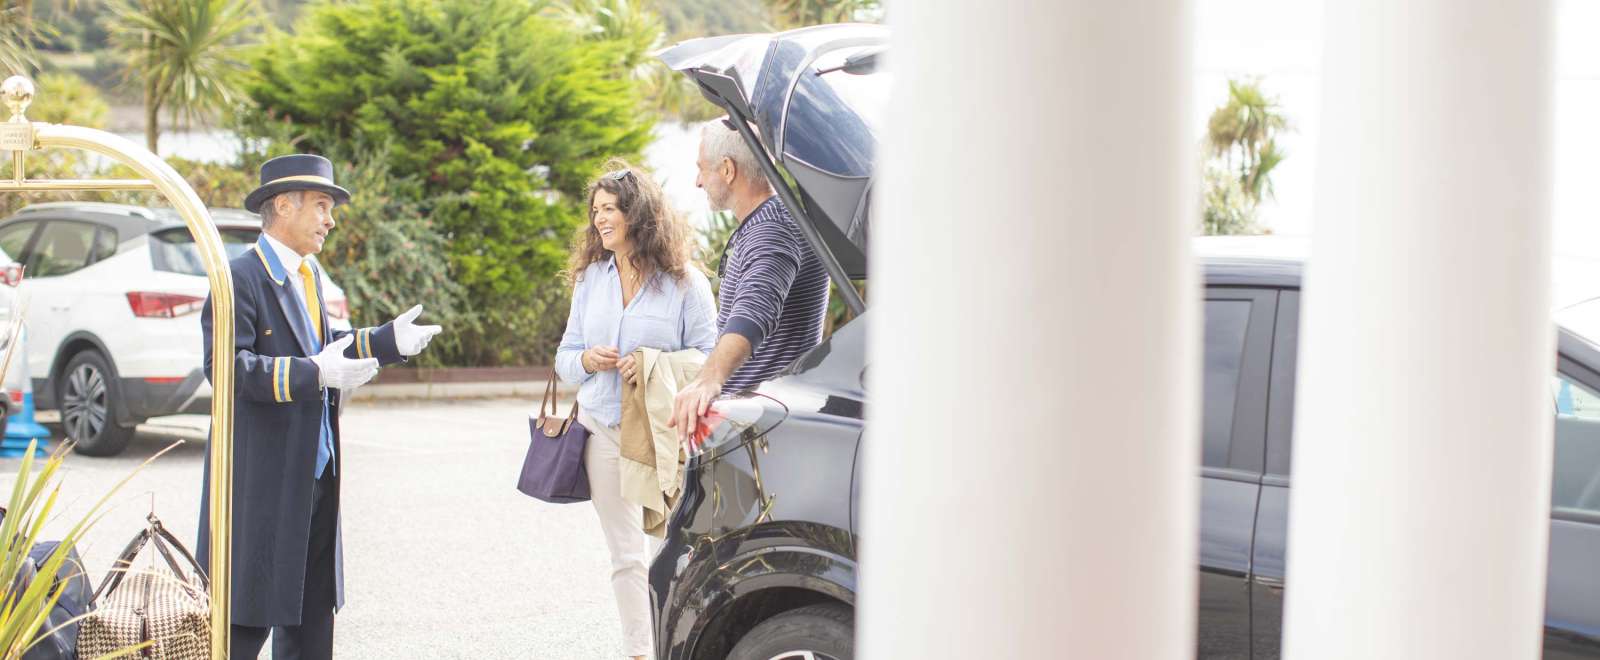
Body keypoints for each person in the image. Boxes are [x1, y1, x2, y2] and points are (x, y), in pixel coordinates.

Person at [196, 154, 443, 659]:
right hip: (261, 480)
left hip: (313, 473)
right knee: (244, 623)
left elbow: (322, 347)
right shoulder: (239, 277)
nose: (330, 221)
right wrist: (314, 374)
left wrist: (387, 341)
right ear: (283, 206)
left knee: (309, 619)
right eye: (322, 206)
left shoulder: (305, 275)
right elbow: (226, 368)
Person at [555, 161, 716, 660]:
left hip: (662, 435)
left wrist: (650, 366)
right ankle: (640, 652)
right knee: (625, 556)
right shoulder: (591, 280)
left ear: (638, 214)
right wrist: (587, 359)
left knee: (668, 551)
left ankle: (677, 646)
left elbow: (710, 361)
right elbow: (564, 359)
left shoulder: (684, 282)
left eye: (610, 209)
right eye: (596, 211)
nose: (600, 219)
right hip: (600, 428)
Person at [670, 120, 831, 439]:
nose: (697, 182)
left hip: (764, 429)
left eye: (702, 169)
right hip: (768, 421)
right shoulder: (774, 220)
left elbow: (754, 312)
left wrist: (708, 380)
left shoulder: (772, 229)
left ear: (728, 169)